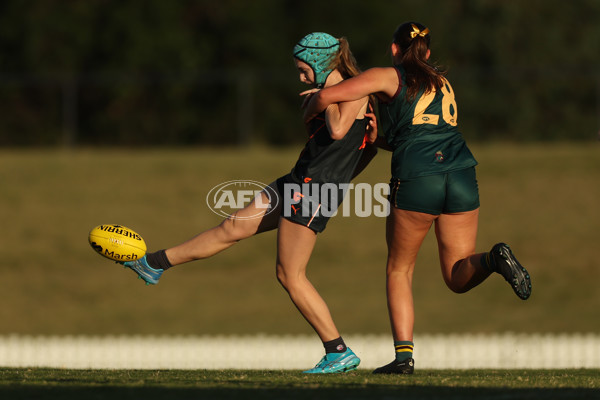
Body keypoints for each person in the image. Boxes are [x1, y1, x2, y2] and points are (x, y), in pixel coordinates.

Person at [121, 32, 376, 374]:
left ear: (318, 62)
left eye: (304, 69)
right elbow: (360, 146)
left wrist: (325, 98)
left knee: (290, 274)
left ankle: (338, 351)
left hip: (316, 189)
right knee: (232, 226)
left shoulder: (354, 89)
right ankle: (152, 264)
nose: (300, 77)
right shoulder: (332, 92)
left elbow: (341, 130)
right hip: (299, 180)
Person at [302, 22, 532, 374]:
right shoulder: (442, 82)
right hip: (461, 173)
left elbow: (326, 96)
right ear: (425, 51)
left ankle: (404, 359)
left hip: (417, 175)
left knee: (399, 268)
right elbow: (419, 130)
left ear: (395, 49)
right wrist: (380, 139)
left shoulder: (386, 75)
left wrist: (310, 108)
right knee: (457, 275)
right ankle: (493, 259)